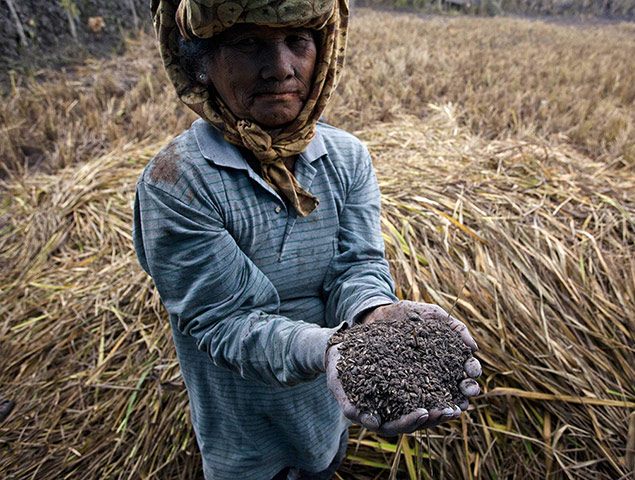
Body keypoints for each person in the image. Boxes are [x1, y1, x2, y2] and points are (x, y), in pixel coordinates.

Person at [133, 1, 481, 479]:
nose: (279, 69)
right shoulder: (178, 182)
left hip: (329, 409)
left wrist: (375, 314)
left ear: (324, 52)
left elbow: (356, 266)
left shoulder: (346, 158)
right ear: (202, 64)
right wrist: (332, 348)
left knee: (323, 462)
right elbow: (226, 321)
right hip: (242, 434)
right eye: (247, 43)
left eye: (297, 42)